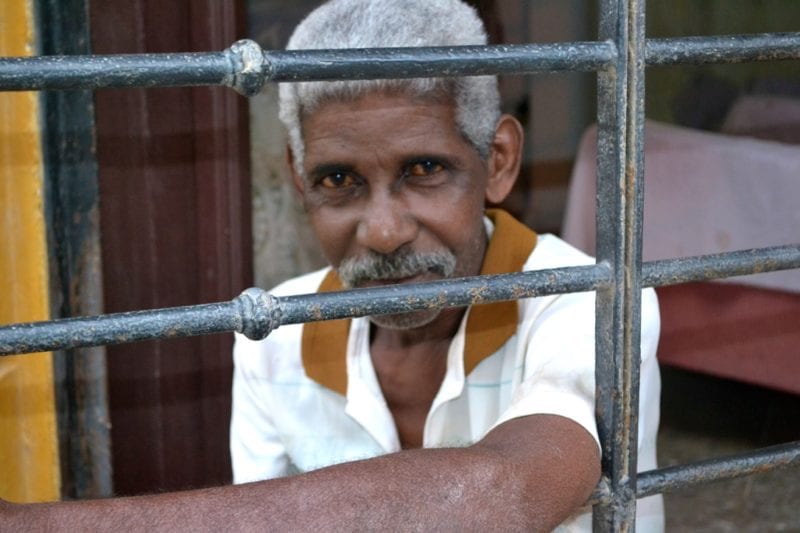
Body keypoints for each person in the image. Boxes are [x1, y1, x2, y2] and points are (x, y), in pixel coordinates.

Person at [0, 0, 663, 530]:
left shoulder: (586, 300)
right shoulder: (272, 339)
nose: (382, 230)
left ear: (497, 162)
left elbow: (505, 491)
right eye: (339, 179)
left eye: (424, 170)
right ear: (297, 178)